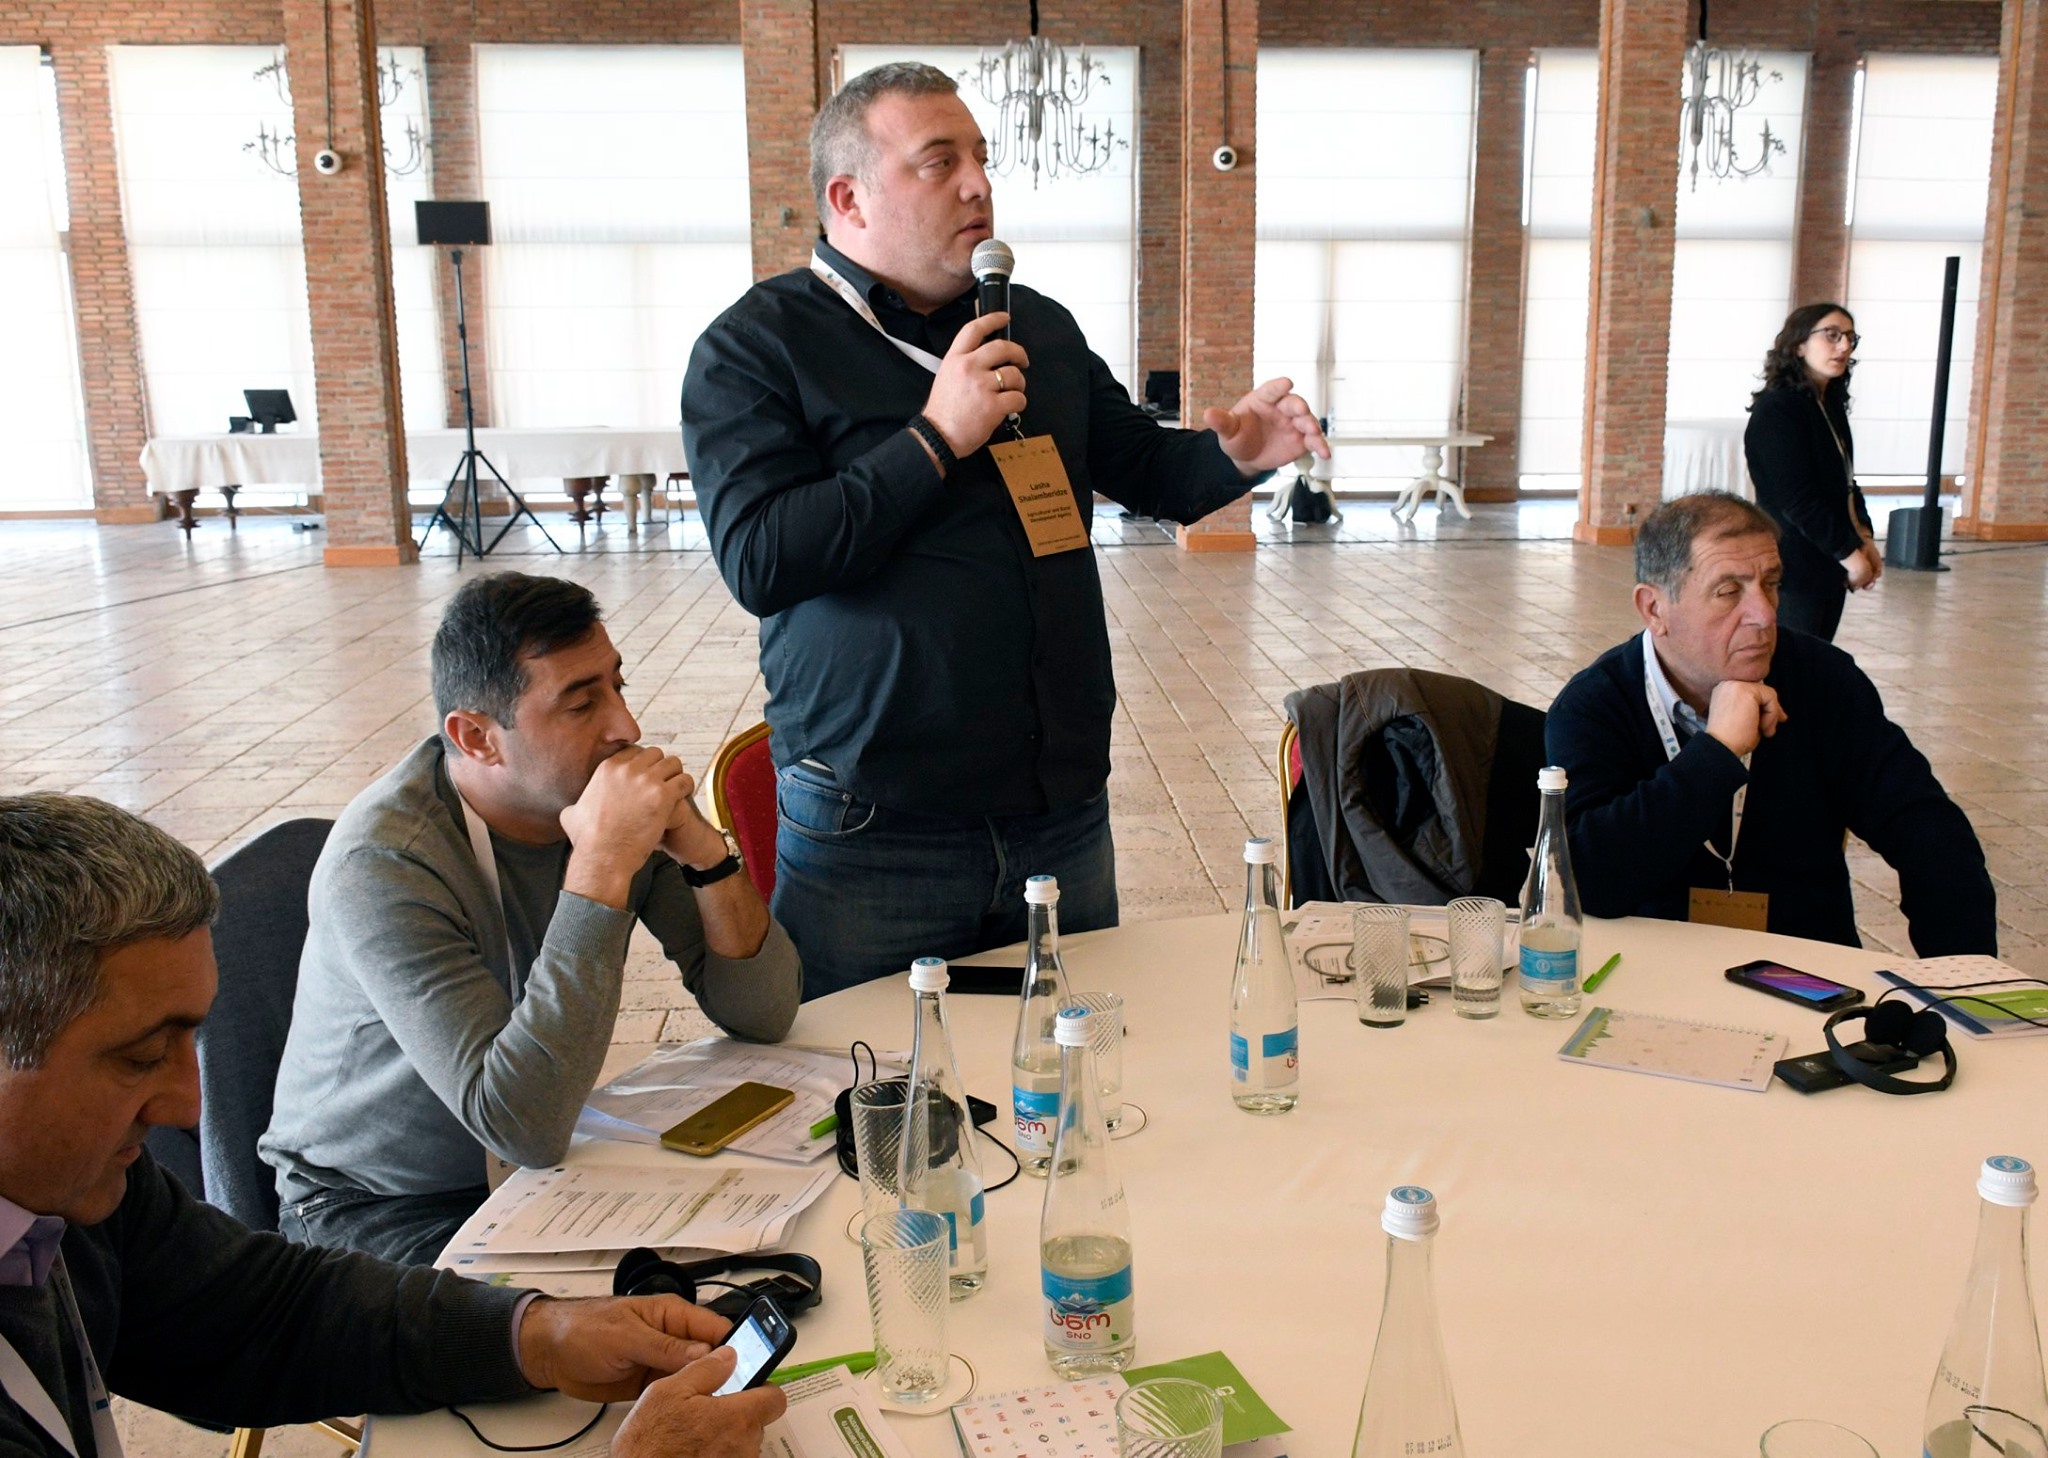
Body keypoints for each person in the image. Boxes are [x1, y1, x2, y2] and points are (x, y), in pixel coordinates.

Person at [681, 62, 1329, 998]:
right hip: (876, 824)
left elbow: (1147, 470)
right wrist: (935, 437)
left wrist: (1237, 454)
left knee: (1069, 1065)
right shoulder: (757, 347)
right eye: (938, 162)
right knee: (872, 1075)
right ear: (848, 198)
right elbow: (763, 559)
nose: (978, 184)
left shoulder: (1037, 329)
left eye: (980, 158)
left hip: (1057, 812)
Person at [0, 792, 786, 1458]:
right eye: (140, 1057)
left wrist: (540, 1334)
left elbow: (257, 1312)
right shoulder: (396, 858)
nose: (187, 1106)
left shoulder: (68, 1195)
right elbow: (524, 1119)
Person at [262, 573, 801, 1265]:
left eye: (617, 685)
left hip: (537, 1169)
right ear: (477, 737)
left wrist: (703, 853)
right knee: (627, 1316)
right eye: (581, 704)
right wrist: (601, 868)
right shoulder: (387, 865)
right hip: (375, 1204)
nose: (627, 728)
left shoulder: (597, 793)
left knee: (763, 1259)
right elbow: (523, 1127)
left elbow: (762, 1011)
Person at [1544, 492, 1996, 955]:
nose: (1764, 614)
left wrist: (1961, 978)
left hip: (1806, 966)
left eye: (1771, 584)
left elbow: (1931, 835)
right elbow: (1586, 881)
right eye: (1729, 592)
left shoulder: (1824, 680)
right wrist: (1718, 750)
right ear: (1655, 609)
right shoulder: (1595, 705)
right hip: (1653, 966)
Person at [1743, 302, 1882, 641]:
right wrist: (1849, 555)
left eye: (1850, 337)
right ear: (1799, 345)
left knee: (1816, 660)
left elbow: (1845, 482)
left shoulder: (1828, 402)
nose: (1844, 346)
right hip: (1793, 566)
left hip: (1826, 560)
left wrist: (1864, 537)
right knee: (1792, 662)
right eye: (1831, 335)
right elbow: (1797, 500)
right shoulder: (1778, 410)